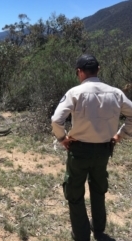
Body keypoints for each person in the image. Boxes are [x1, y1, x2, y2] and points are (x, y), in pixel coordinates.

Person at [51, 54, 132, 241]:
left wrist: (62, 138)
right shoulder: (116, 93)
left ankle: (81, 234)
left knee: (75, 192)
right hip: (104, 150)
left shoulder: (75, 93)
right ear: (99, 69)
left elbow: (56, 120)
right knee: (98, 189)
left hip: (79, 150)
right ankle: (99, 230)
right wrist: (120, 135)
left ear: (79, 72)